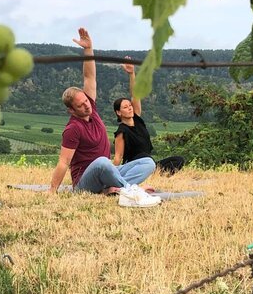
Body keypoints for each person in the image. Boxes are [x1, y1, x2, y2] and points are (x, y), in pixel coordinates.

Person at [49, 28, 161, 208]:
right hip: (85, 182)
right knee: (102, 162)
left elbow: (89, 76)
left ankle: (114, 188)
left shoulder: (91, 107)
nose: (86, 105)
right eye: (80, 105)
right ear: (71, 110)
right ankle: (131, 192)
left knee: (148, 163)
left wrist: (88, 49)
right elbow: (63, 162)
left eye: (86, 100)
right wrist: (52, 191)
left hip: (106, 173)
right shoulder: (73, 128)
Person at [112, 58, 185, 176]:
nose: (130, 108)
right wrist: (111, 174)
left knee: (178, 160)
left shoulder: (138, 120)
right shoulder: (121, 132)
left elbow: (135, 95)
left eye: (130, 105)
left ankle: (155, 174)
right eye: (125, 107)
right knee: (144, 157)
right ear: (118, 113)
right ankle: (146, 174)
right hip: (134, 166)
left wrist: (132, 74)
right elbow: (118, 157)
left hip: (150, 163)